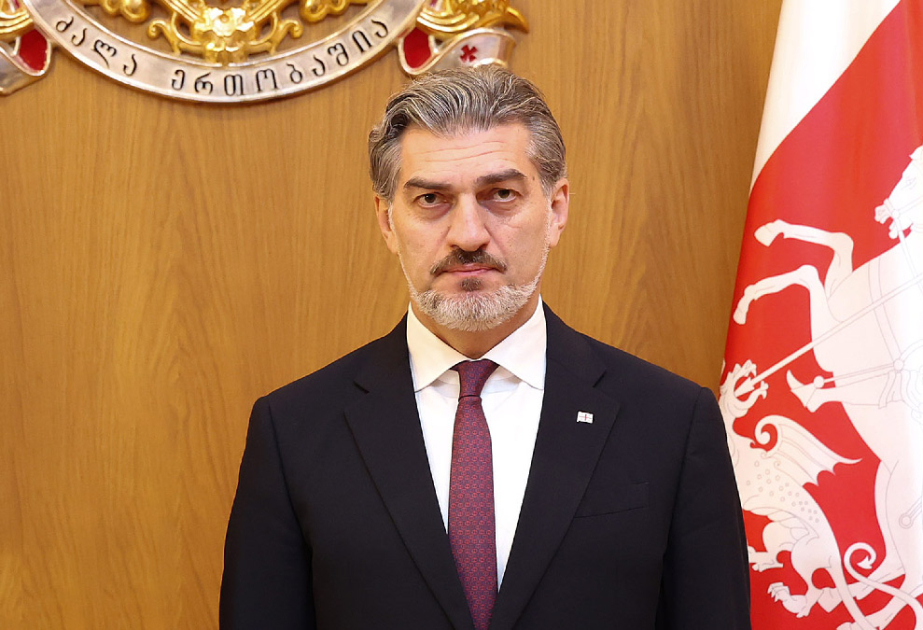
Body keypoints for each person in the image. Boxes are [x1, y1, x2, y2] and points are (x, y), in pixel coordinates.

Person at [219, 66, 751, 630]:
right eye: (431, 199)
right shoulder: (293, 430)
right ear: (386, 221)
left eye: (500, 195)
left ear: (556, 209)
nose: (468, 234)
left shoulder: (672, 421)